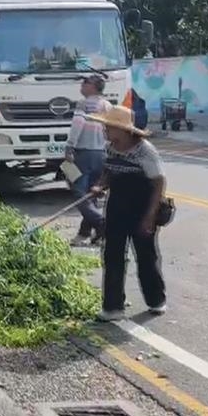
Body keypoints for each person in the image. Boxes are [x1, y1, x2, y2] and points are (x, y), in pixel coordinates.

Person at [86, 105, 168, 322]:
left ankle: (156, 300)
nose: (105, 131)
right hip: (117, 206)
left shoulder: (145, 151)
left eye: (110, 127)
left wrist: (150, 217)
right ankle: (113, 307)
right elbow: (109, 170)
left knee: (146, 255)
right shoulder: (111, 147)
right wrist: (100, 185)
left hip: (142, 206)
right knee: (112, 254)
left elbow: (159, 182)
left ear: (124, 130)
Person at [65, 75, 112, 246]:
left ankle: (101, 223)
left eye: (85, 83)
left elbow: (77, 126)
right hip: (101, 154)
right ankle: (84, 233)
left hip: (83, 153)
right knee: (91, 194)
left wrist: (69, 147)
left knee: (79, 192)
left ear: (93, 86)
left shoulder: (83, 104)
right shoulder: (107, 105)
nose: (82, 86)